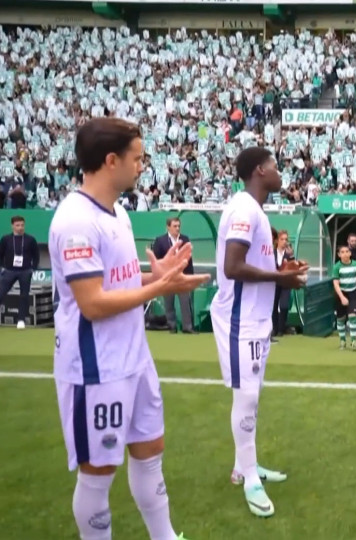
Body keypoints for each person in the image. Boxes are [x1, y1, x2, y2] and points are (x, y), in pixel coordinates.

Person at [50, 117, 206, 540]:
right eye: (137, 159)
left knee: (150, 451)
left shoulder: (117, 211)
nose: (143, 166)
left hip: (134, 359)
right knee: (98, 471)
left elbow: (114, 280)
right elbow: (94, 303)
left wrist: (154, 273)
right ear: (111, 160)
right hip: (96, 369)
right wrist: (160, 285)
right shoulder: (76, 221)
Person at [211, 147, 308, 518]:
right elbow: (233, 267)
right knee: (247, 397)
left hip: (255, 318)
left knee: (251, 395)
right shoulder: (242, 209)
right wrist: (279, 276)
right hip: (240, 320)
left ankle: (243, 465)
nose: (279, 172)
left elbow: (257, 265)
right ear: (258, 171)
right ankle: (249, 475)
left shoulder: (257, 211)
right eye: (274, 167)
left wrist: (285, 273)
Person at [151, 217, 195, 334]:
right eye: (175, 226)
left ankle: (187, 327)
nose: (177, 228)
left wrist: (190, 276)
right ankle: (172, 326)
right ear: (168, 227)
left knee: (185, 303)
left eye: (178, 226)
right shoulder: (160, 240)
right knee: (168, 304)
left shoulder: (185, 239)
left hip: (182, 276)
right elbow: (156, 259)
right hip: (168, 276)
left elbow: (189, 259)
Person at [0, 215, 40, 329]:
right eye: (17, 225)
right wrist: (2, 267)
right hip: (9, 271)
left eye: (22, 225)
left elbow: (36, 255)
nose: (20, 227)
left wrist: (33, 268)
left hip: (25, 271)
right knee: (1, 293)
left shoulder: (30, 239)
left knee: (24, 296)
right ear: (12, 226)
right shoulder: (6, 239)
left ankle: (21, 320)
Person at [333, 244, 356, 350]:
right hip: (341, 293)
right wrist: (342, 297)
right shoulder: (337, 267)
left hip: (353, 293)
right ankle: (342, 340)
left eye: (347, 251)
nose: (345, 254)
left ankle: (354, 341)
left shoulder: (355, 265)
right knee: (341, 318)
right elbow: (336, 284)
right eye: (342, 252)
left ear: (350, 253)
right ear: (339, 255)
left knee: (352, 316)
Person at [272, 229, 295, 341]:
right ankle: (274, 329)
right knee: (273, 306)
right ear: (277, 240)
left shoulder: (289, 253)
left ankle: (281, 329)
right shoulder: (272, 252)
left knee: (284, 306)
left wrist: (291, 257)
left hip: (285, 282)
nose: (284, 241)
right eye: (282, 239)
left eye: (286, 239)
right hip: (274, 282)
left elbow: (293, 267)